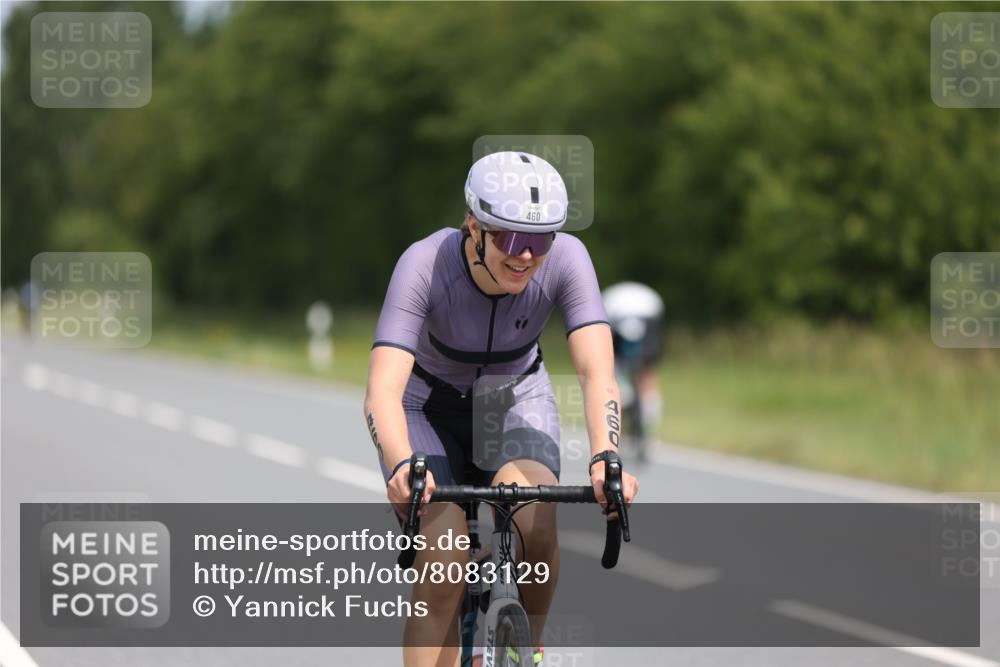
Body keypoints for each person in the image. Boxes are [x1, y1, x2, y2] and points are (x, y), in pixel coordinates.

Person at [364, 151, 639, 666]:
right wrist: (402, 465)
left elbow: (597, 372)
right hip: (427, 408)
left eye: (540, 241)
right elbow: (381, 390)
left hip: (512, 399)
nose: (526, 257)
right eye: (511, 239)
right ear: (474, 225)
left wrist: (606, 455)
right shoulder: (424, 263)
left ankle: (523, 650)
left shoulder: (568, 258)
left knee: (535, 521)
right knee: (444, 561)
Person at [601, 282, 665, 462]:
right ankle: (651, 434)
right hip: (649, 314)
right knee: (647, 374)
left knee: (611, 371)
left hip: (618, 316)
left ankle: (624, 400)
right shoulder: (648, 299)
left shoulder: (609, 298)